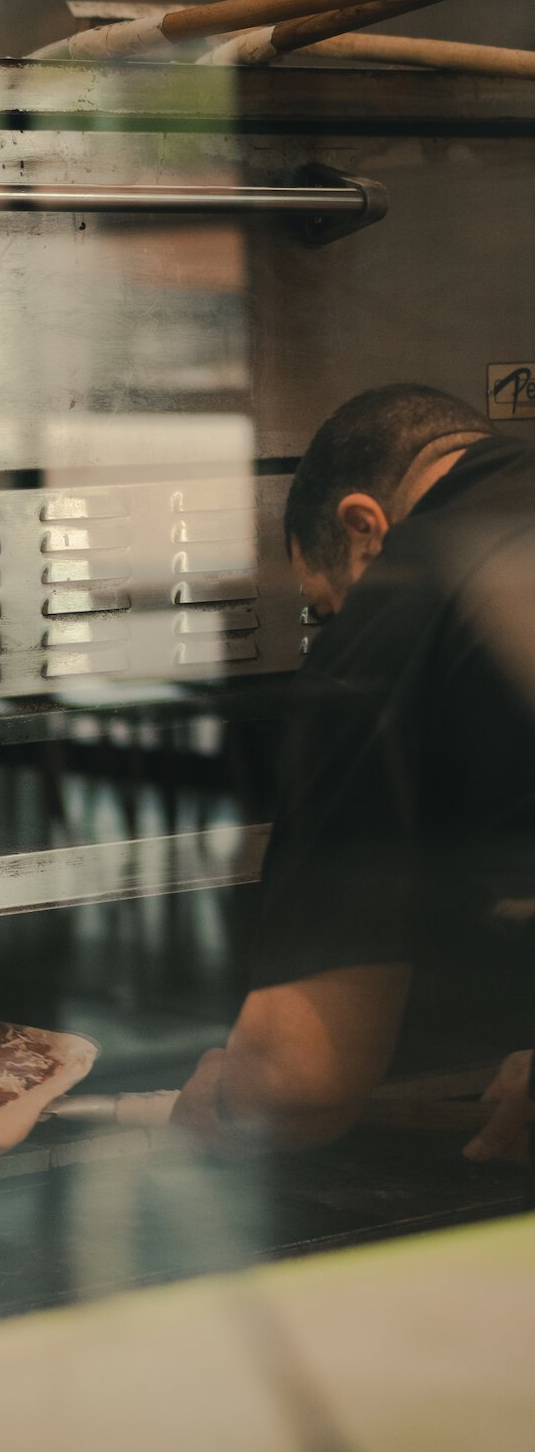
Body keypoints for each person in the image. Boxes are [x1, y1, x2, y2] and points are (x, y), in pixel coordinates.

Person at [173, 384, 535, 1164]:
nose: (334, 631)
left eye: (326, 609)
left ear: (365, 530)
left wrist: (226, 1093)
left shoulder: (390, 620)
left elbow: (299, 1090)